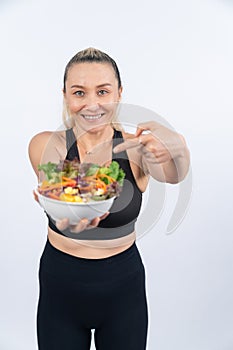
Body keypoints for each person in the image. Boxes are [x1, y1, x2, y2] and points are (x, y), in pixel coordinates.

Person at [28, 47, 190, 350]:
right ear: (65, 95)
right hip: (60, 285)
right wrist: (72, 210)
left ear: (119, 93)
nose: (92, 104)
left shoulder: (137, 148)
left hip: (122, 288)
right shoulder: (45, 144)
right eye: (79, 93)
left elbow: (172, 174)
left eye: (103, 92)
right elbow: (58, 186)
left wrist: (179, 151)